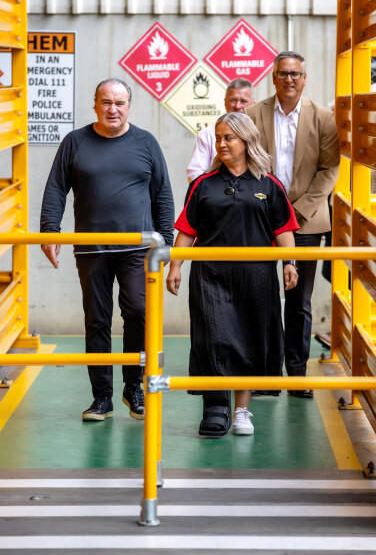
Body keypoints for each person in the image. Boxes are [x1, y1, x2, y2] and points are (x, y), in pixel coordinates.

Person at [40, 78, 174, 421]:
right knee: (97, 320)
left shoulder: (146, 142)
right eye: (106, 102)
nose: (112, 109)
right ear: (95, 105)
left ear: (129, 106)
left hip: (137, 248)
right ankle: (102, 397)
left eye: (119, 103)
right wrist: (49, 232)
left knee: (139, 312)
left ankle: (133, 386)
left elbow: (162, 194)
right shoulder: (75, 142)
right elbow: (56, 188)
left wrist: (166, 243)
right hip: (92, 248)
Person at [167, 112, 299, 437]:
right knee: (214, 337)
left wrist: (290, 262)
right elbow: (188, 228)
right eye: (218, 138)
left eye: (229, 138)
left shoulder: (269, 184)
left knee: (250, 339)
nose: (221, 144)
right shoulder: (203, 184)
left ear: (246, 141)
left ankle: (241, 410)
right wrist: (175, 265)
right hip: (211, 275)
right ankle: (215, 408)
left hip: (257, 276)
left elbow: (283, 229)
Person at [246, 51, 340, 397]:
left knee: (299, 301)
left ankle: (297, 376)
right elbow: (244, 162)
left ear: (304, 78)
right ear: (273, 77)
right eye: (283, 73)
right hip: (260, 220)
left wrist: (298, 211)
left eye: (295, 74)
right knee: (261, 298)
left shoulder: (323, 117)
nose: (289, 79)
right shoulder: (253, 114)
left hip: (306, 223)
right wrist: (267, 210)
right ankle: (265, 375)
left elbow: (329, 169)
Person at [186, 78, 255, 182]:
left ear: (253, 104)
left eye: (243, 101)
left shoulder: (260, 132)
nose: (237, 106)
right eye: (233, 100)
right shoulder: (207, 134)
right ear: (225, 102)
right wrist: (216, 189)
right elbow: (195, 173)